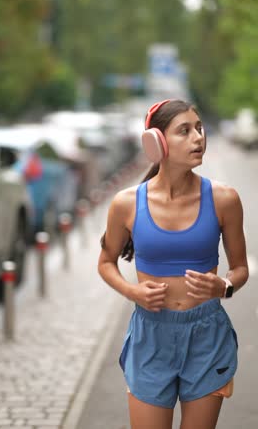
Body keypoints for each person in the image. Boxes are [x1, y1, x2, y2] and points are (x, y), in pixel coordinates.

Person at [98, 99, 249, 429]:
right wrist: (132, 291)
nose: (199, 138)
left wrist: (223, 286)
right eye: (185, 131)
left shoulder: (225, 199)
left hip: (208, 336)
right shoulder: (126, 204)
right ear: (157, 142)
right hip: (150, 337)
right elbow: (106, 262)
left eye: (199, 128)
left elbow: (240, 268)